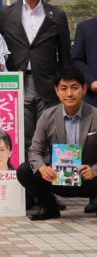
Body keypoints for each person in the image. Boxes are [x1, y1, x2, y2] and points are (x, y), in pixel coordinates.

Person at [0, 0, 71, 152]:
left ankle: (58, 179)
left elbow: (65, 52)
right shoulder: (7, 14)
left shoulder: (57, 14)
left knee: (54, 133)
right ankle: (29, 178)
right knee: (23, 136)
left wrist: (65, 82)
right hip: (17, 81)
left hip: (49, 82)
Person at [16, 66, 97, 221]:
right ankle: (50, 207)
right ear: (56, 91)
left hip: (89, 179)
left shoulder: (95, 115)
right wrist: (42, 167)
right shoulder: (48, 115)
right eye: (64, 88)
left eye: (74, 88)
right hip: (57, 177)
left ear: (84, 88)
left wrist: (94, 170)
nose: (69, 94)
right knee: (25, 170)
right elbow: (35, 150)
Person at [71, 16, 97, 212]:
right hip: (94, 96)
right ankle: (94, 195)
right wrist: (91, 80)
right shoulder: (85, 27)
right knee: (91, 146)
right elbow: (77, 59)